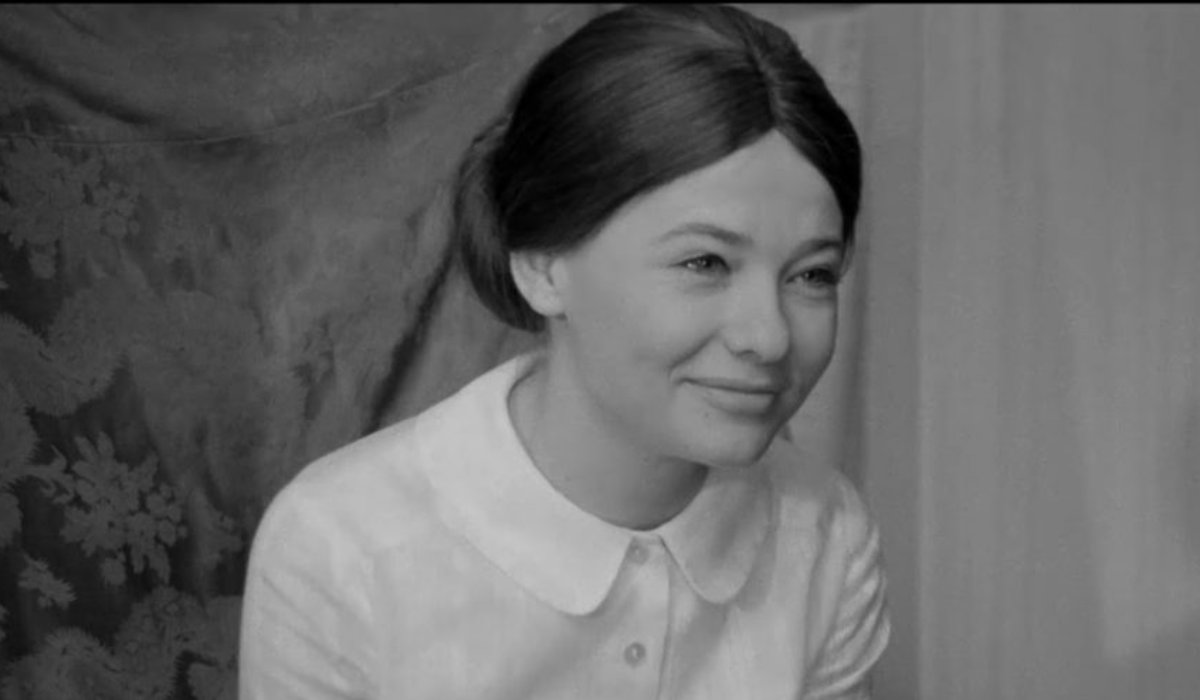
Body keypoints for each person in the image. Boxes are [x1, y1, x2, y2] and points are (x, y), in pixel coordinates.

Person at [238, 3, 890, 699]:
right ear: (542, 265)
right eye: (704, 262)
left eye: (812, 275)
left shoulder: (827, 534)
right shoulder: (341, 545)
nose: (769, 337)